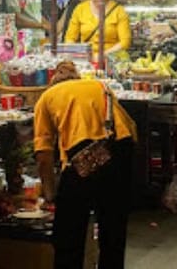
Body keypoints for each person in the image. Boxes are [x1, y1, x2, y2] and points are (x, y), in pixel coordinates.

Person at [34, 60, 136, 269]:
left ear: (53, 81)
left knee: (68, 233)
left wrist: (50, 193)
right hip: (120, 149)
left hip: (84, 155)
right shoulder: (99, 86)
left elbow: (43, 154)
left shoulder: (47, 98)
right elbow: (129, 126)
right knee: (113, 229)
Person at [64, 0, 132, 58]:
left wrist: (102, 55)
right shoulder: (80, 9)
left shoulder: (119, 11)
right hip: (87, 60)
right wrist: (75, 53)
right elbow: (70, 37)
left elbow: (125, 42)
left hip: (112, 59)